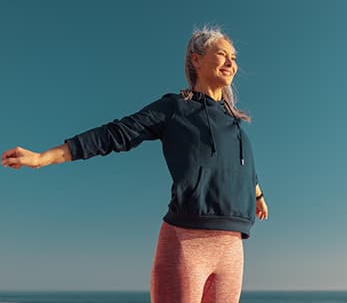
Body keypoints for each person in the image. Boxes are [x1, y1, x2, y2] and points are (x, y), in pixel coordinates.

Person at [2, 26, 268, 303]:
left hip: (233, 247)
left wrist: (257, 195)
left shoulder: (234, 123)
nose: (231, 62)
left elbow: (243, 167)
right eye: (222, 54)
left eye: (234, 58)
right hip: (187, 242)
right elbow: (114, 134)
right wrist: (43, 157)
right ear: (196, 59)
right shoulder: (175, 108)